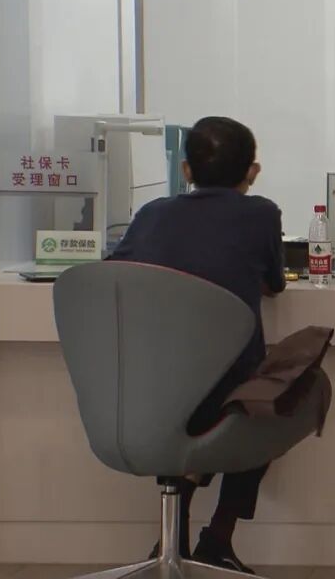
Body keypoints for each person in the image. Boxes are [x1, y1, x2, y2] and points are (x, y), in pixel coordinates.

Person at [109, 116, 285, 573]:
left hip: (149, 397)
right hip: (229, 400)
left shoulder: (151, 214)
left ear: (186, 170)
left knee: (195, 417)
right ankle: (218, 539)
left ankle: (173, 540)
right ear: (252, 172)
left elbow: (116, 273)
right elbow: (274, 285)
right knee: (282, 400)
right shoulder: (261, 214)